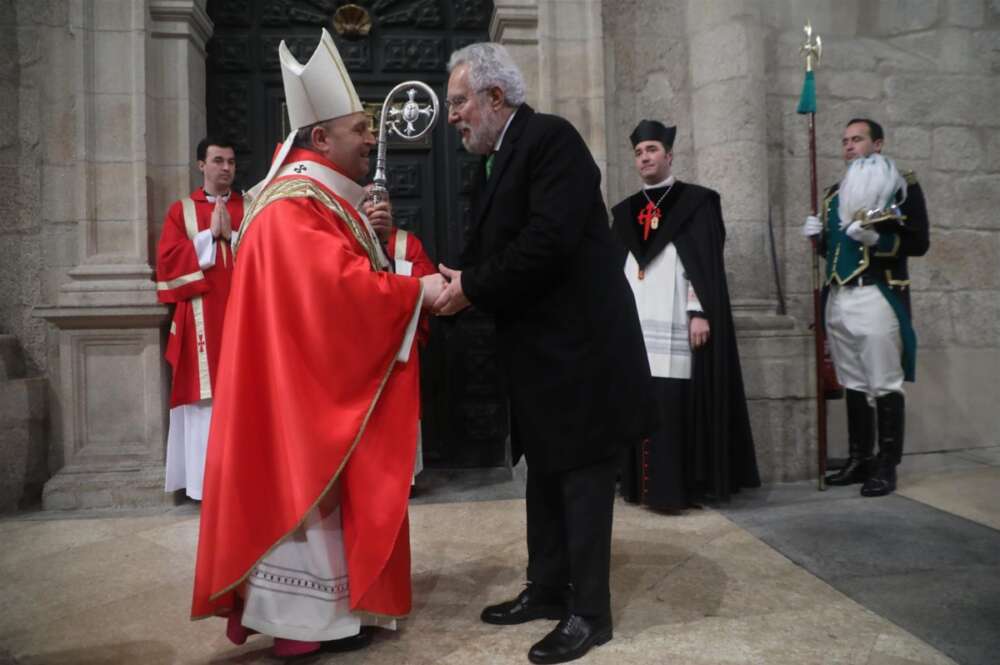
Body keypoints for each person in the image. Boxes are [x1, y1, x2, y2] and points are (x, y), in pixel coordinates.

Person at [190, 29, 445, 659]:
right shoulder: (290, 209)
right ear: (320, 139)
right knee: (305, 496)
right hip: (297, 405)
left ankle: (332, 612)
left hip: (302, 390)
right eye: (360, 127)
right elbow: (338, 295)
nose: (371, 138)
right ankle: (305, 623)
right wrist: (415, 293)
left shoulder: (312, 203)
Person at [433, 42, 653, 665]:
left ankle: (591, 614)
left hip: (580, 353)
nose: (453, 116)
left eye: (458, 102)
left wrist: (470, 286)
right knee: (544, 478)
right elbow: (506, 243)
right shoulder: (504, 153)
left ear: (494, 98)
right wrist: (465, 274)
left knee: (582, 479)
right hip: (539, 353)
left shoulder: (551, 139)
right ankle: (549, 588)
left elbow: (548, 241)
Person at [610, 120, 760, 511]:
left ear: (669, 155)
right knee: (639, 398)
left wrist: (699, 310)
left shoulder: (695, 202)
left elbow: (703, 263)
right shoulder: (626, 212)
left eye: (652, 150)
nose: (645, 157)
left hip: (677, 320)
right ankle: (637, 487)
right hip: (636, 324)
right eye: (639, 152)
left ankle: (673, 491)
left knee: (672, 403)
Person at [802, 118, 929, 497]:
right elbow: (836, 250)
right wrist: (819, 238)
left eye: (857, 139)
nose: (849, 146)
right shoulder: (833, 194)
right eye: (845, 141)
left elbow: (919, 242)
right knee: (853, 379)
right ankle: (860, 459)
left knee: (883, 380)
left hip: (877, 292)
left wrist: (877, 238)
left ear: (878, 143)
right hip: (839, 295)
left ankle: (886, 466)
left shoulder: (901, 185)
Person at [156, 137, 243, 501]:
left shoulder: (251, 206)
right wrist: (210, 237)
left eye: (231, 162)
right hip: (201, 318)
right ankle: (204, 485)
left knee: (244, 396)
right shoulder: (182, 211)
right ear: (200, 166)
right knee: (204, 401)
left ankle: (243, 483)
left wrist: (233, 237)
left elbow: (271, 255)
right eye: (218, 161)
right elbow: (166, 264)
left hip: (244, 315)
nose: (226, 168)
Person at [362, 189, 436, 484]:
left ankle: (403, 478)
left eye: (381, 199)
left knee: (399, 409)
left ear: (391, 207)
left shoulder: (407, 243)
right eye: (368, 199)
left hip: (400, 344)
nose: (375, 205)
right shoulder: (346, 240)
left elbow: (426, 284)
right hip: (361, 344)